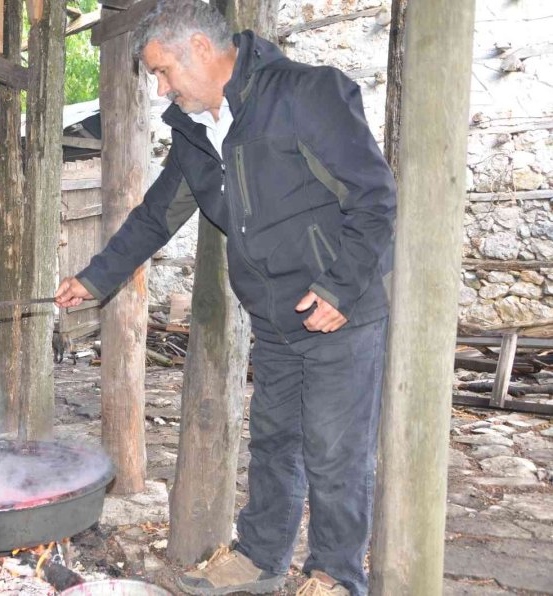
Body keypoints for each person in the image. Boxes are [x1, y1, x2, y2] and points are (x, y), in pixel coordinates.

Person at [55, 1, 396, 595]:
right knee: (274, 443)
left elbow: (375, 197)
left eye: (162, 71)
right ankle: (261, 559)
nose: (160, 89)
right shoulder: (194, 132)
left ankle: (336, 574)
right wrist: (94, 278)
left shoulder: (306, 94)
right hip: (277, 318)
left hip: (341, 310)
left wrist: (340, 288)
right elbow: (155, 216)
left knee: (335, 451)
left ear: (200, 49)